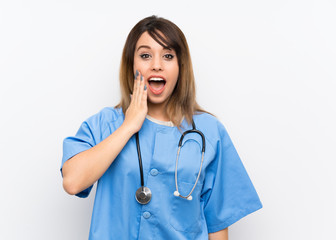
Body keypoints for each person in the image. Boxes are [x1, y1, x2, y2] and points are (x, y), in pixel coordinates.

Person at [61, 15, 262, 240]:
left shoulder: (209, 132)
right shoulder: (106, 124)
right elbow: (72, 182)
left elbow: (217, 220)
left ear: (180, 66)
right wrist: (128, 126)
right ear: (131, 64)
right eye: (145, 55)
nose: (156, 65)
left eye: (168, 56)